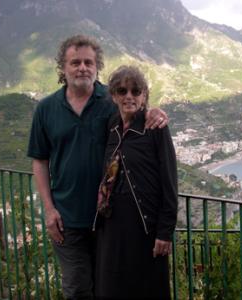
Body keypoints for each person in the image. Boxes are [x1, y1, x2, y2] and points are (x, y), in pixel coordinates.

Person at [27, 35, 168, 299]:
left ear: (97, 66)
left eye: (88, 62)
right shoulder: (46, 109)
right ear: (63, 67)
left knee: (109, 288)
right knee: (78, 288)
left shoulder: (111, 99)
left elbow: (136, 111)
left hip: (108, 221)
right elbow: (40, 161)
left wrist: (154, 111)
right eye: (75, 62)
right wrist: (48, 210)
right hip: (67, 217)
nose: (82, 67)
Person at [94, 65, 178, 299]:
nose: (129, 96)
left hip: (144, 226)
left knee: (145, 288)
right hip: (111, 224)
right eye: (122, 91)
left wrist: (165, 231)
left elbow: (169, 181)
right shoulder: (111, 127)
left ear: (144, 95)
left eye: (135, 90)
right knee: (112, 286)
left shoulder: (155, 128)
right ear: (114, 96)